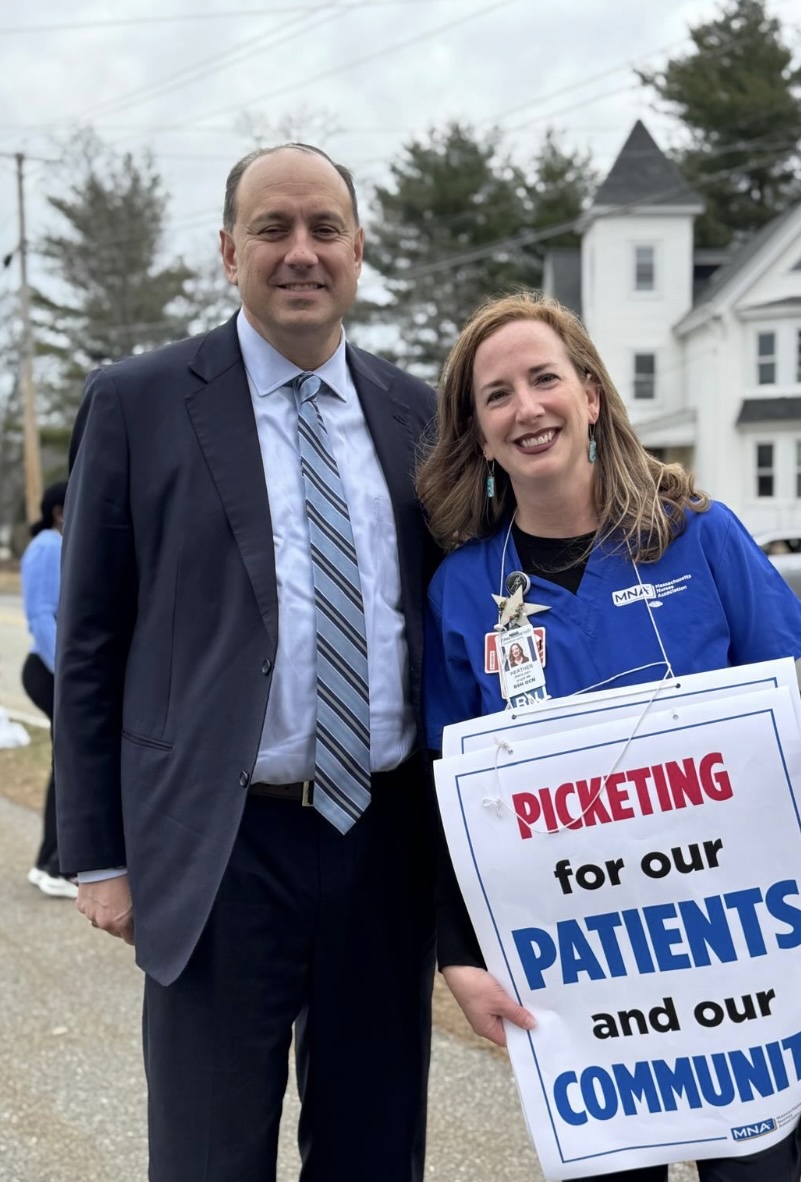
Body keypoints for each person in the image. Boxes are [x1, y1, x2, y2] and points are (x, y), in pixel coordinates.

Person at [418, 292, 801, 1182]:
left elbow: (792, 745)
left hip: (737, 978)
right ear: (478, 435)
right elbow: (454, 798)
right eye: (496, 395)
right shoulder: (461, 593)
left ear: (592, 396)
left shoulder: (700, 537)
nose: (527, 407)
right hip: (584, 994)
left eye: (545, 378)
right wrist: (461, 956)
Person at [54, 144, 440, 1182]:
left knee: (374, 1151)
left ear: (360, 251)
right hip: (220, 845)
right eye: (273, 229)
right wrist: (97, 852)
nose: (301, 252)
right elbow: (89, 641)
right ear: (230, 252)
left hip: (383, 843)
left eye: (324, 230)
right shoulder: (136, 402)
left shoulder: (420, 415)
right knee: (209, 1156)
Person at [20, 480, 75, 899]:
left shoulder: (56, 544)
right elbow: (41, 617)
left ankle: (48, 864)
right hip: (50, 671)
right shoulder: (48, 546)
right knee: (71, 768)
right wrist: (70, 675)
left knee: (67, 768)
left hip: (54, 671)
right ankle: (55, 867)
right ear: (59, 511)